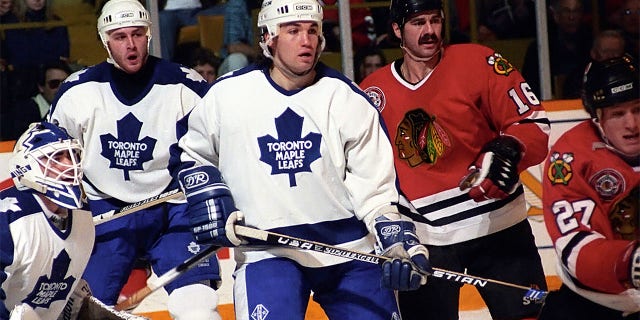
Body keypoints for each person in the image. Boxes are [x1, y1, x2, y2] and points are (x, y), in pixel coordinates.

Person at [169, 0, 432, 319]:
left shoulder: (347, 99)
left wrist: (396, 239)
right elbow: (187, 153)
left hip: (349, 251)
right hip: (267, 250)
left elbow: (377, 191)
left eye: (312, 30)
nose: (306, 40)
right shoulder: (227, 96)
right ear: (268, 37)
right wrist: (206, 193)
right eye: (293, 30)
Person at [359, 0, 550, 319]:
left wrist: (510, 149)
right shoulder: (371, 93)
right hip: (425, 241)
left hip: (500, 227)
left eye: (435, 20)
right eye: (418, 23)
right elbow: (363, 173)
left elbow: (531, 123)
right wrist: (389, 232)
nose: (430, 31)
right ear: (396, 30)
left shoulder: (479, 60)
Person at [47, 1, 221, 319]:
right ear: (104, 40)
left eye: (138, 34)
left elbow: (221, 146)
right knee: (88, 312)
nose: (130, 45)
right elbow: (51, 158)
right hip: (105, 212)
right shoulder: (77, 92)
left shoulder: (185, 85)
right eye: (120, 36)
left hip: (174, 208)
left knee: (198, 309)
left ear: (149, 35)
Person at [538, 54, 640, 320]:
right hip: (596, 302)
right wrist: (629, 261)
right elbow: (575, 245)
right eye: (618, 113)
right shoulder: (571, 158)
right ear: (597, 116)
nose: (632, 124)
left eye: (638, 109)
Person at [0, 121, 91, 319]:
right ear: (27, 166)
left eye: (71, 156)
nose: (69, 165)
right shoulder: (8, 219)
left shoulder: (83, 216)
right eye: (57, 157)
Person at [521, 0, 592, 99]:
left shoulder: (591, 43)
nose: (571, 17)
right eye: (566, 11)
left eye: (576, 11)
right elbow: (528, 87)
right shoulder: (540, 48)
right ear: (555, 15)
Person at [3, 0, 70, 102]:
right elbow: (15, 58)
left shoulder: (57, 23)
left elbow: (62, 58)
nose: (38, 0)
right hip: (20, 84)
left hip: (50, 83)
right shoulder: (9, 24)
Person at [1, 61, 72, 141]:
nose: (61, 88)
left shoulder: (76, 107)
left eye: (66, 83)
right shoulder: (22, 112)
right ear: (41, 87)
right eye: (54, 83)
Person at [562, 29, 626, 99]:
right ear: (593, 53)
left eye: (615, 51)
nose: (611, 55)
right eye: (605, 51)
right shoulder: (579, 78)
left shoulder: (630, 73)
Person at [217, 0, 259, 76]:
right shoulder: (237, 4)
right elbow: (233, 47)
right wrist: (261, 54)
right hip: (241, 63)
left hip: (265, 61)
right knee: (236, 60)